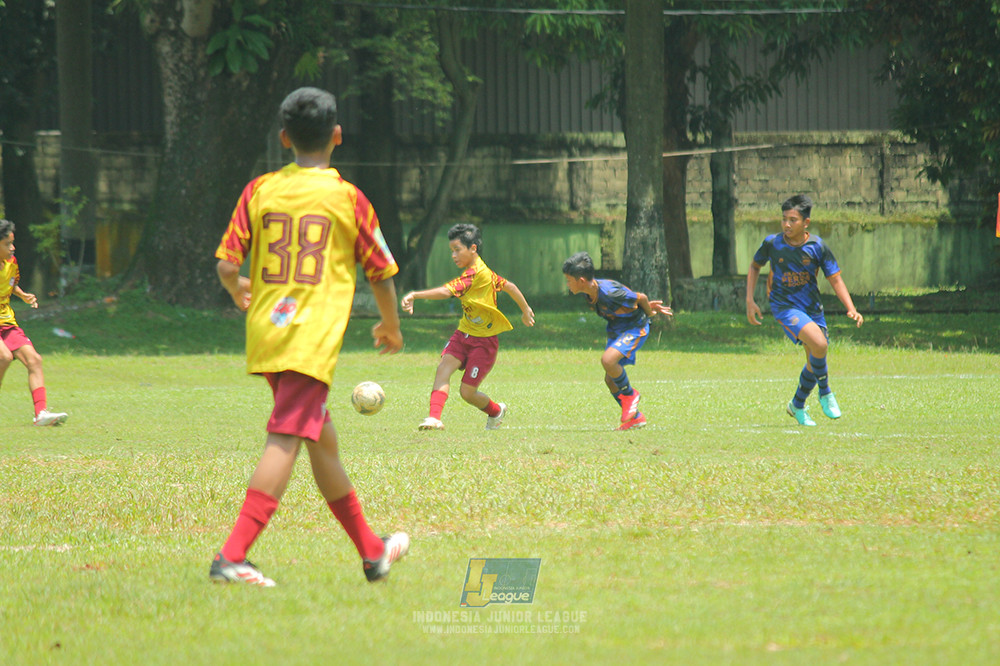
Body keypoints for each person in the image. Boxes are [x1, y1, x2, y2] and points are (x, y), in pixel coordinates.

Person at [210, 87, 408, 587]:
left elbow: (226, 264)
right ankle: (232, 555)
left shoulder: (259, 190)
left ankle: (372, 551)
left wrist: (239, 288)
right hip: (309, 336)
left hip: (267, 330)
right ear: (337, 136)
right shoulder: (348, 198)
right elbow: (381, 272)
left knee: (322, 440)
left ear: (283, 139)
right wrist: (390, 325)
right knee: (286, 438)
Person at [400, 223, 534, 431]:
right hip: (463, 334)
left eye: (457, 250)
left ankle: (496, 411)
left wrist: (416, 295)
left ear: (473, 249)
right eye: (451, 250)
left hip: (485, 342)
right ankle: (434, 418)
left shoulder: (476, 274)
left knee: (467, 393)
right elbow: (509, 286)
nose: (453, 255)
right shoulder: (482, 273)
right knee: (443, 368)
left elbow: (446, 292)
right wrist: (525, 310)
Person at [746, 194, 864, 426]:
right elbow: (755, 265)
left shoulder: (817, 246)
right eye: (784, 219)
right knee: (820, 345)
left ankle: (797, 405)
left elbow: (835, 279)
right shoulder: (773, 243)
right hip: (785, 307)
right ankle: (826, 392)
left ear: (806, 223)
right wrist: (750, 300)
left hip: (812, 308)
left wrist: (851, 308)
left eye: (793, 220)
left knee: (814, 360)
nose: (787, 225)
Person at [562, 251, 672, 431]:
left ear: (581, 280)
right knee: (610, 379)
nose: (567, 284)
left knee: (608, 360)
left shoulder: (609, 292)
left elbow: (641, 297)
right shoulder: (588, 293)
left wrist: (650, 312)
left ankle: (630, 395)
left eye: (568, 279)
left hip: (635, 327)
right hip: (617, 330)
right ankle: (635, 417)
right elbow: (627, 303)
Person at [0, 219, 69, 427]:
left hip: (6, 321)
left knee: (34, 359)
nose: (12, 248)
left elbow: (11, 284)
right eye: (7, 244)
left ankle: (41, 414)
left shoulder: (12, 263)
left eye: (12, 243)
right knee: (3, 356)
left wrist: (23, 295)